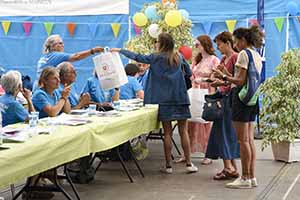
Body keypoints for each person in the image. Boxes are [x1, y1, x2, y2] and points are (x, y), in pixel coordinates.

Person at [111, 32, 198, 174]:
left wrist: (120, 50)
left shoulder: (155, 57)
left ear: (161, 43)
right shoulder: (179, 57)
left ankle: (168, 166)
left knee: (167, 133)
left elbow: (137, 57)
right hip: (180, 98)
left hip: (164, 100)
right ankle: (189, 163)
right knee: (183, 131)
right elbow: (189, 73)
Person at [213, 26, 263, 189]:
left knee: (242, 141)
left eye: (235, 41)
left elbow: (240, 81)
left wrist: (224, 76)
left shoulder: (243, 54)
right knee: (249, 140)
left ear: (242, 40)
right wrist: (226, 80)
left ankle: (245, 177)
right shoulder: (256, 54)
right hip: (252, 99)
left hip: (240, 100)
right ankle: (251, 176)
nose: (235, 45)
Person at [177, 35, 220, 165]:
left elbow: (216, 78)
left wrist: (204, 80)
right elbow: (191, 74)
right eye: (195, 45)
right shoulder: (197, 59)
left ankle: (209, 154)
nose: (196, 47)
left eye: (198, 44)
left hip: (207, 93)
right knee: (191, 123)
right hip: (195, 92)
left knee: (206, 123)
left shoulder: (214, 60)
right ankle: (186, 153)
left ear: (204, 44)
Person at [204, 31, 240, 180]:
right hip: (223, 97)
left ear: (228, 43)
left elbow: (237, 80)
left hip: (228, 99)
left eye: (219, 44)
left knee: (223, 132)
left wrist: (222, 80)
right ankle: (231, 167)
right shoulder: (225, 58)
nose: (218, 48)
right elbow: (216, 75)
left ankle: (229, 167)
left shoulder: (235, 58)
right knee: (222, 132)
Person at [35, 34, 104, 88]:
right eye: (60, 43)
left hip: (38, 86)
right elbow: (76, 56)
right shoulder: (56, 55)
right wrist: (93, 51)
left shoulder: (45, 57)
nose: (63, 45)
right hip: (45, 88)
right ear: (52, 46)